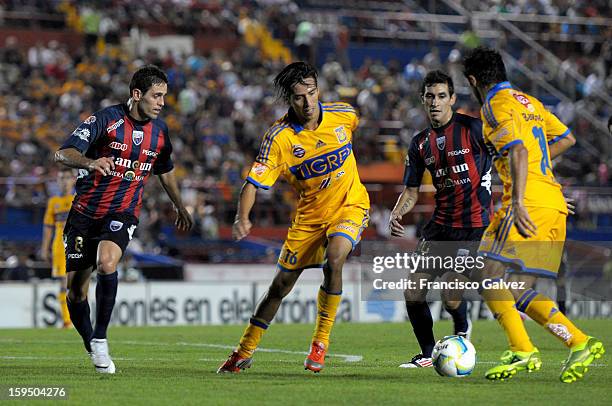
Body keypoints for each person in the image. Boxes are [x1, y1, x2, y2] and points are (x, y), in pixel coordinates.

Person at [463, 46, 604, 383]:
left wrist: (520, 201)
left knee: (485, 271)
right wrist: (543, 183)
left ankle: (522, 349)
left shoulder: (494, 106)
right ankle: (579, 342)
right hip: (552, 203)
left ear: (472, 80)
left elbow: (520, 151)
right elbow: (566, 138)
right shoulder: (530, 102)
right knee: (516, 289)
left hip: (526, 204)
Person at [218, 62, 369, 374]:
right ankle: (244, 351)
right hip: (309, 220)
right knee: (280, 287)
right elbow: (252, 183)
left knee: (336, 258)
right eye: (300, 97)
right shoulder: (280, 138)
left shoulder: (343, 114)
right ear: (290, 99)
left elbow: (357, 122)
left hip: (349, 205)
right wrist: (241, 217)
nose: (308, 102)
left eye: (312, 93)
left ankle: (320, 342)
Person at [54, 65, 193, 374]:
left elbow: (165, 170)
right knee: (76, 292)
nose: (161, 102)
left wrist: (179, 205)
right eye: (156, 96)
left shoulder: (160, 132)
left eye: (164, 97)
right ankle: (91, 342)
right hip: (83, 214)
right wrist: (90, 162)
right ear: (136, 94)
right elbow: (62, 154)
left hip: (122, 211)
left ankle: (101, 337)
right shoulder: (106, 120)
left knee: (107, 262)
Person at [388, 70, 492, 368]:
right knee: (413, 290)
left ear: (452, 99)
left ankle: (462, 330)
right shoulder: (420, 143)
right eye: (430, 96)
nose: (436, 102)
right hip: (440, 228)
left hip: (474, 226)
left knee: (450, 292)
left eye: (442, 96)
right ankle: (427, 353)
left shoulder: (474, 129)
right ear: (423, 100)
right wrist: (398, 211)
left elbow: (510, 155)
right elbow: (410, 191)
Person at [41, 167, 76, 328]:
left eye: (67, 178)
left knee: (78, 283)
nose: (64, 181)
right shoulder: (53, 202)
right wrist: (44, 248)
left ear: (73, 180)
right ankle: (67, 320)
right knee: (63, 283)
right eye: (61, 178)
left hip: (77, 244)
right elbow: (48, 227)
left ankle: (80, 318)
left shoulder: (79, 199)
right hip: (59, 247)